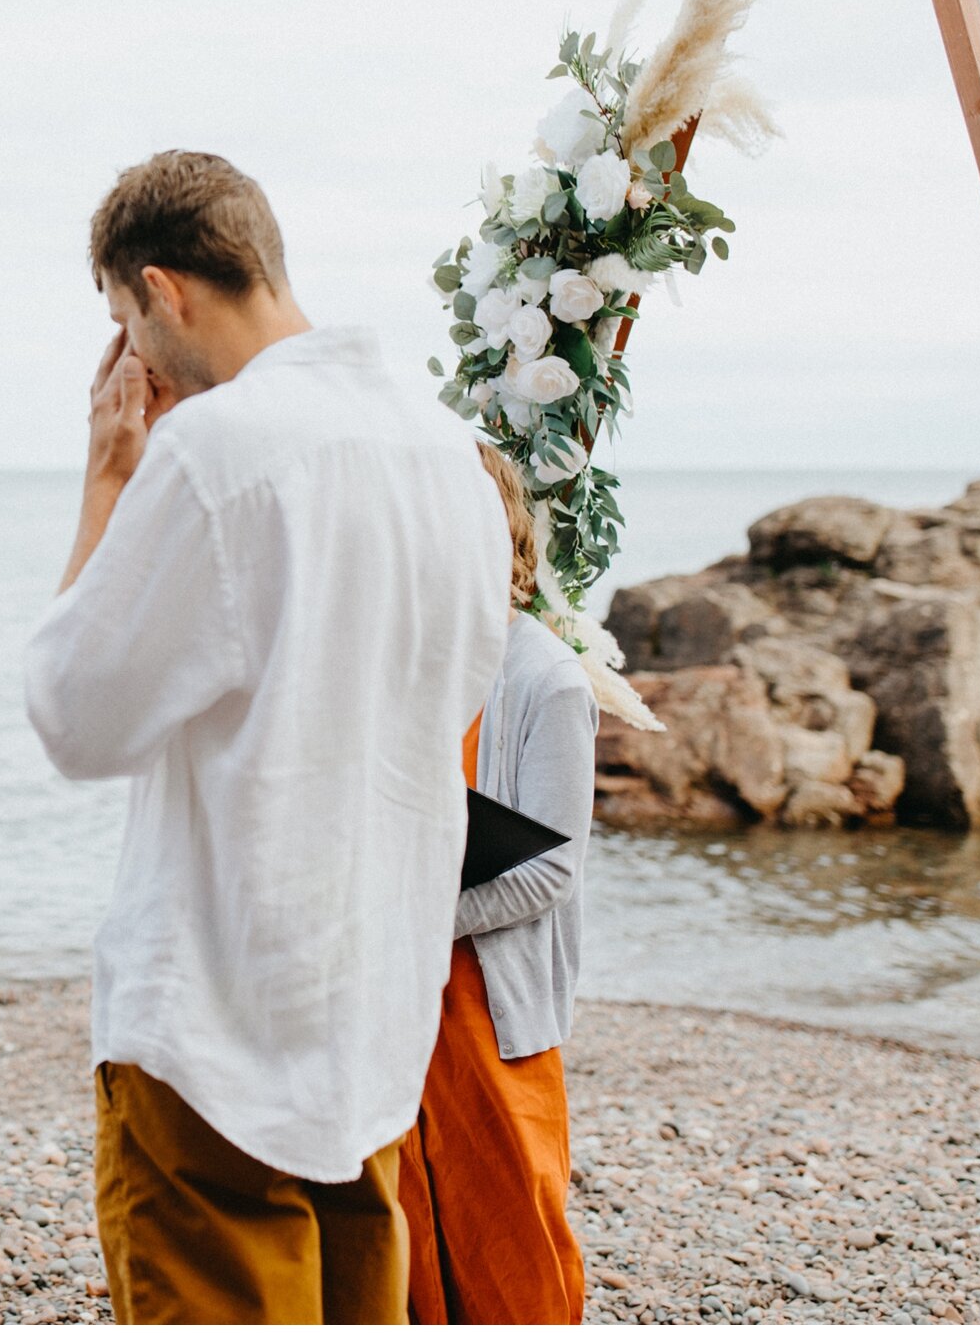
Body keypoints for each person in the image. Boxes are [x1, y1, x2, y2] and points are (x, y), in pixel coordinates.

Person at [23, 150, 511, 1324]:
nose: (129, 354)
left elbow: (74, 715)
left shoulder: (215, 451)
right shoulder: (447, 455)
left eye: (120, 320)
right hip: (369, 1012)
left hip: (215, 1016)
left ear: (162, 290)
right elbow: (450, 698)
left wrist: (106, 479)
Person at [396, 447, 597, 1324]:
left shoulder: (546, 677)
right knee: (401, 1223)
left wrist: (414, 922)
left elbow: (552, 864)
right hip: (395, 1001)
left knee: (512, 1230)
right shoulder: (398, 664)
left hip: (490, 1001)